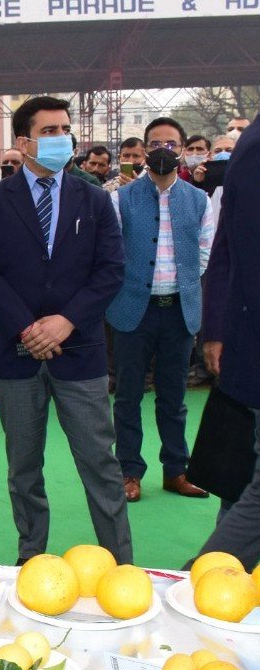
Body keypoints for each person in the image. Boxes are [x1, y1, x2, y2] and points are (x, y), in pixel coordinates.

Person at [0, 95, 133, 564]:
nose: (63, 138)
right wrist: (27, 327)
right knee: (23, 467)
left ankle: (120, 562)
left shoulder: (94, 199)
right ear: (24, 142)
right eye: (50, 131)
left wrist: (66, 321)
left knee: (100, 462)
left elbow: (110, 270)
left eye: (65, 130)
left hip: (79, 350)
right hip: (16, 353)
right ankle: (31, 556)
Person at [107, 116, 213, 504]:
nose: (163, 150)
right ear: (144, 149)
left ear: (182, 149)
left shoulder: (199, 200)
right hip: (133, 310)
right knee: (127, 397)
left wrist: (181, 280)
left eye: (170, 144)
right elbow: (111, 252)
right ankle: (129, 472)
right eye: (155, 144)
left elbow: (205, 252)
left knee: (173, 398)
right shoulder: (120, 198)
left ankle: (176, 471)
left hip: (179, 311)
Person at [187, 108, 260, 568]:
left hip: (243, 340)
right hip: (249, 340)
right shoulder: (255, 149)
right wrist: (216, 329)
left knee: (244, 480)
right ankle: (202, 584)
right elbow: (236, 252)